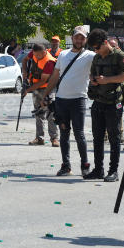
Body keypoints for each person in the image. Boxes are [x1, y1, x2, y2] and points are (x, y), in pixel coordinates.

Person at [40, 26, 95, 177]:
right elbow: (54, 77)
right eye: (77, 37)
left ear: (86, 40)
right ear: (72, 38)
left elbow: (95, 72)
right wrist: (45, 95)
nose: (79, 40)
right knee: (63, 134)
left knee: (79, 134)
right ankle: (66, 166)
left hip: (78, 100)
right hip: (61, 100)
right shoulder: (63, 54)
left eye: (82, 38)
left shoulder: (90, 56)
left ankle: (85, 165)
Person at [84, 28, 124, 182]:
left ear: (106, 42)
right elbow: (91, 72)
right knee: (97, 138)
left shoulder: (119, 56)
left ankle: (113, 171)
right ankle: (98, 169)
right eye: (93, 48)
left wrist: (107, 80)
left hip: (113, 103)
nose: (96, 50)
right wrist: (93, 79)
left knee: (114, 138)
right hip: (98, 102)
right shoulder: (97, 57)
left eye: (98, 47)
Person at [25, 44, 59, 147]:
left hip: (47, 89)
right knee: (38, 113)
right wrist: (24, 72)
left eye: (38, 55)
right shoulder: (35, 53)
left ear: (44, 52)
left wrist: (27, 90)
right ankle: (39, 138)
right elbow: (24, 60)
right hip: (36, 88)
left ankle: (54, 138)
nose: (35, 57)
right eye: (34, 55)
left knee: (50, 113)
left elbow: (43, 81)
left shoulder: (49, 62)